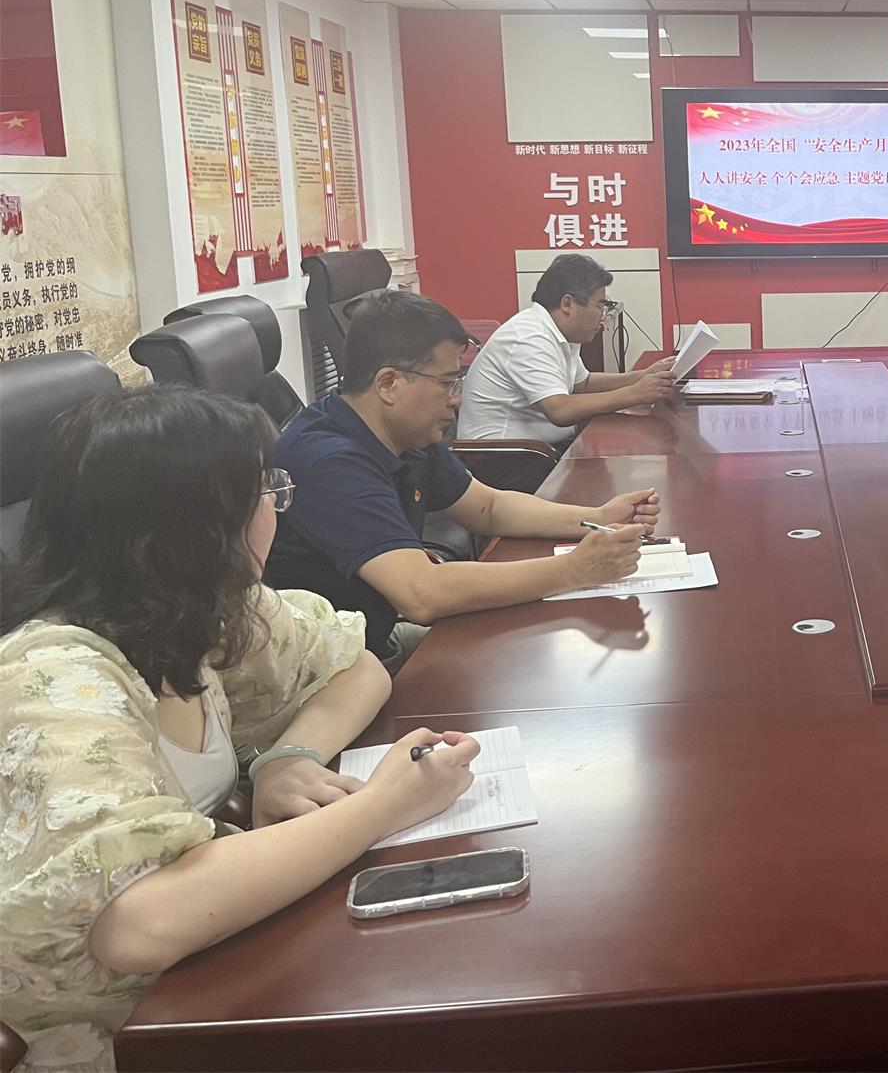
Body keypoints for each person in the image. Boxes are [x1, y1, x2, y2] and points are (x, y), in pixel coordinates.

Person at [0, 386, 480, 1071]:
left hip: (211, 976)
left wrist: (289, 757)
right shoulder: (54, 675)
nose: (275, 508)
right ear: (193, 523)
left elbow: (356, 665)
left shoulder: (203, 609)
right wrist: (384, 805)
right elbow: (137, 925)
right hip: (106, 1033)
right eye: (263, 491)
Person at [263, 291, 657, 672]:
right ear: (388, 384)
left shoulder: (404, 434)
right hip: (329, 673)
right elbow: (422, 593)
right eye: (447, 382)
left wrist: (598, 517)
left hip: (371, 641)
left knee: (527, 651)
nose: (458, 399)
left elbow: (489, 507)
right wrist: (575, 569)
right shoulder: (330, 463)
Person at [458, 253, 675, 447]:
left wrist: (642, 376)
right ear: (567, 304)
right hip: (504, 458)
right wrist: (635, 393)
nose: (603, 316)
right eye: (600, 306)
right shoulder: (528, 337)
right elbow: (560, 410)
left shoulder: (559, 332)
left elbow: (583, 384)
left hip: (539, 450)